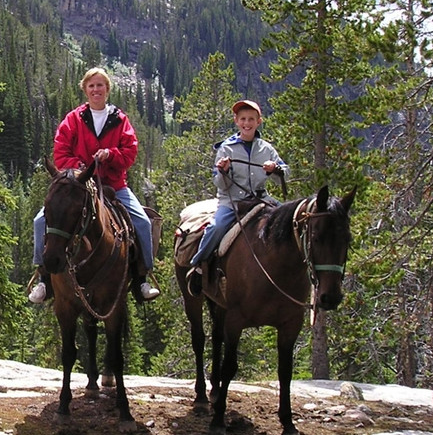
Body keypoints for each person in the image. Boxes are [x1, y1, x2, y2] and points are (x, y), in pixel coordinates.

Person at [28, 67, 159, 304]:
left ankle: (141, 277)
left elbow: (130, 152)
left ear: (107, 90)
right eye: (91, 86)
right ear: (85, 90)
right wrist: (78, 167)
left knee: (142, 221)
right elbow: (60, 151)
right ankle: (44, 279)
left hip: (113, 184)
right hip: (78, 185)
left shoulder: (120, 120)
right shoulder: (74, 119)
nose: (96, 90)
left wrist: (111, 154)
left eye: (100, 85)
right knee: (41, 221)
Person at [187, 98, 288, 290]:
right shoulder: (226, 148)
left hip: (261, 199)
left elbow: (284, 173)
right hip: (232, 202)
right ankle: (198, 265)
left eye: (251, 119)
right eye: (243, 119)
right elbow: (219, 183)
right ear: (236, 121)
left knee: (290, 222)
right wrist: (223, 171)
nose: (247, 123)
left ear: (259, 121)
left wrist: (274, 169)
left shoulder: (266, 148)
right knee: (217, 227)